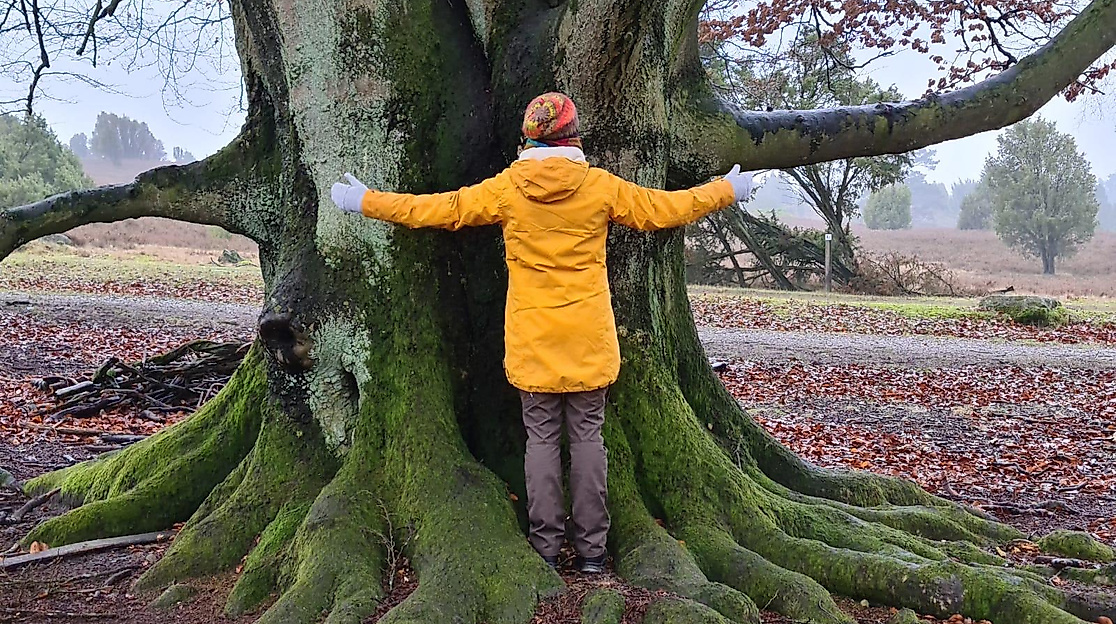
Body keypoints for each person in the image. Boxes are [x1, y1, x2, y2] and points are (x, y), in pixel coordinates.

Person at [331, 92, 753, 573]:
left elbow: (441, 209)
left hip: (532, 341)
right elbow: (662, 209)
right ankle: (593, 552)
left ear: (528, 138)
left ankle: (546, 547)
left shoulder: (508, 188)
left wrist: (366, 201)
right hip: (588, 338)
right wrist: (724, 190)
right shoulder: (598, 186)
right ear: (572, 137)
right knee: (589, 440)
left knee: (541, 442)